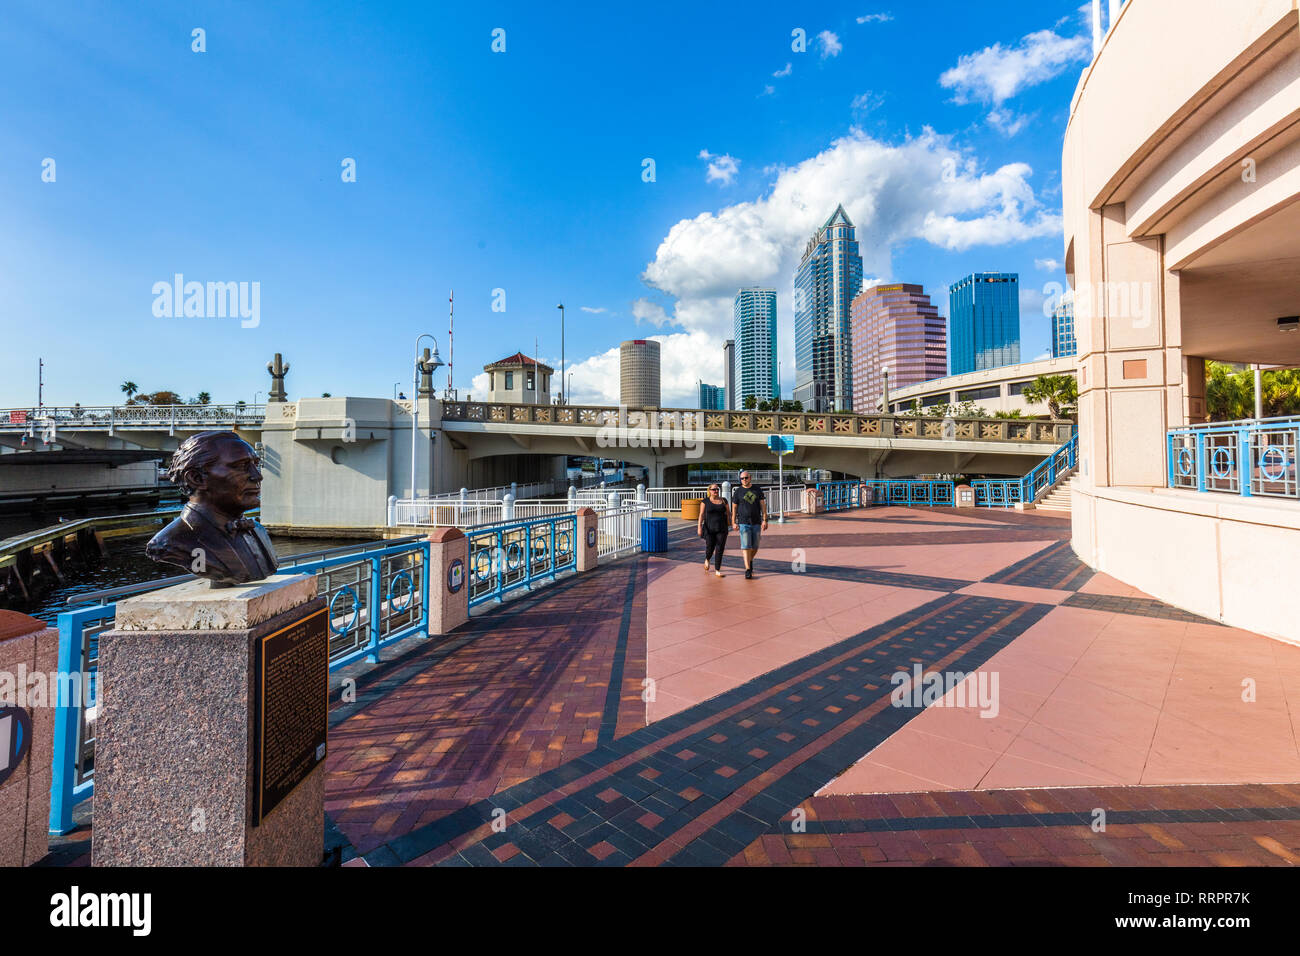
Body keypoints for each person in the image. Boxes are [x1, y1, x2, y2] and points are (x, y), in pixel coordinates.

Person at [146, 430, 279, 585]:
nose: (257, 476)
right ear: (196, 478)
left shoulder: (258, 530)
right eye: (241, 466)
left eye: (255, 465)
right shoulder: (169, 542)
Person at [730, 470, 768, 579]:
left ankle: (750, 560)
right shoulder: (738, 492)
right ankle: (747, 569)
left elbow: (763, 506)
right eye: (742, 478)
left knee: (755, 546)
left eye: (746, 478)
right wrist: (733, 522)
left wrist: (765, 519)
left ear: (750, 478)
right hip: (743, 522)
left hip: (756, 522)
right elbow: (734, 508)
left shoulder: (757, 489)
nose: (744, 480)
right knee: (746, 546)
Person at [696, 483, 730, 577]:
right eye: (714, 489)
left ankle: (717, 570)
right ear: (709, 491)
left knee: (720, 549)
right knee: (710, 547)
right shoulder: (705, 501)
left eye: (717, 489)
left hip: (722, 528)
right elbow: (701, 515)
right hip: (709, 528)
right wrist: (699, 527)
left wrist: (731, 523)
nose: (716, 491)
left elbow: (728, 513)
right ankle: (707, 559)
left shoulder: (724, 501)